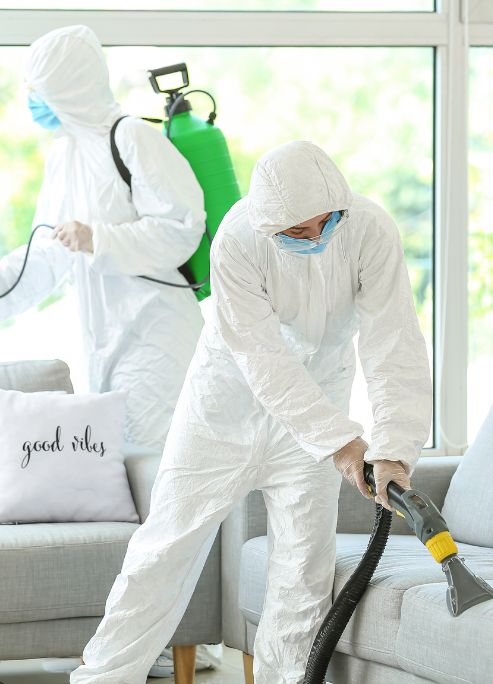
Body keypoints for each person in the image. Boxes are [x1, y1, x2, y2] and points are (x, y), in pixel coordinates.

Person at [70, 140, 432, 684]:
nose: (316, 236)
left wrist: (394, 447)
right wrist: (341, 442)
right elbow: (264, 360)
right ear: (270, 226)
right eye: (298, 232)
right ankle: (102, 678)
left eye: (325, 223)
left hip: (318, 403)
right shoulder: (238, 239)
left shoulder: (370, 229)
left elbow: (393, 343)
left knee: (303, 574)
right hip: (225, 408)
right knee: (163, 551)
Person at [0, 24, 218, 679]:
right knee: (117, 483)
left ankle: (167, 637)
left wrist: (102, 237)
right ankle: (131, 635)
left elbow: (185, 225)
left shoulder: (133, 139)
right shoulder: (65, 155)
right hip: (102, 337)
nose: (33, 103)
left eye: (41, 90)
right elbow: (45, 256)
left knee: (151, 484)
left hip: (156, 334)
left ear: (69, 86)